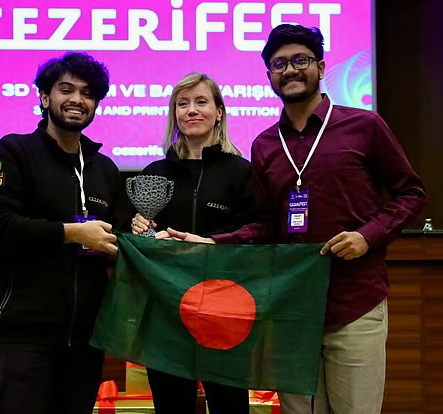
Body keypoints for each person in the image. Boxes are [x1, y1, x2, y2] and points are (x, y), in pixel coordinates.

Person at [163, 24, 427, 414]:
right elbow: (264, 225)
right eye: (278, 64)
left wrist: (367, 236)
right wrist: (213, 242)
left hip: (354, 301)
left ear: (320, 67)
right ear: (269, 75)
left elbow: (412, 194)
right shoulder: (265, 145)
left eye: (300, 60)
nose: (289, 70)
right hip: (292, 308)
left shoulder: (364, 126)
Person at [0, 52, 122, 414]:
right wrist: (73, 233)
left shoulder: (104, 168)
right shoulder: (14, 151)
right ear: (44, 97)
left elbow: (115, 236)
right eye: (66, 89)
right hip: (27, 334)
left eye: (88, 93)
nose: (77, 99)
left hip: (87, 336)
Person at [131, 72, 258, 414]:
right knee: (171, 406)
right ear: (174, 114)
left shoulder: (242, 172)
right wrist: (142, 230)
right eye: (182, 104)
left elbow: (256, 232)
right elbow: (141, 240)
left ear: (219, 112)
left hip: (226, 310)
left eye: (201, 102)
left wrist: (212, 241)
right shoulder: (154, 172)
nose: (191, 110)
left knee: (230, 406)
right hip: (167, 312)